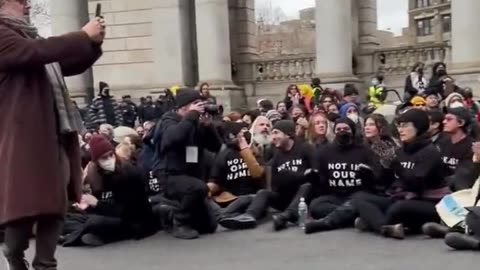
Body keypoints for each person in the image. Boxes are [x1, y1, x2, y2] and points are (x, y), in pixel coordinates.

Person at [0, 0, 105, 268]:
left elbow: (62, 63)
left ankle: (46, 263)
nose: (27, 4)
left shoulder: (29, 38)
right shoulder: (5, 35)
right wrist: (83, 35)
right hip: (23, 140)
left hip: (54, 136)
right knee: (21, 207)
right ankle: (14, 255)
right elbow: (35, 52)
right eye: (20, 0)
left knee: (55, 205)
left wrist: (92, 44)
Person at [351, 109, 449, 239]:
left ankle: (374, 223)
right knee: (359, 197)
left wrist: (395, 164)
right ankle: (386, 227)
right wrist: (373, 172)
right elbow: (388, 183)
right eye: (399, 126)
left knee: (397, 208)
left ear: (418, 127)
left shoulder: (430, 152)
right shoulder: (401, 151)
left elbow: (415, 184)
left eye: (405, 126)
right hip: (400, 197)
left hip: (428, 202)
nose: (400, 130)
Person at [152, 88, 223, 239]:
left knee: (209, 226)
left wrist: (208, 126)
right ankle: (179, 221)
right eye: (196, 104)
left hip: (191, 176)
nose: (200, 107)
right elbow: (173, 138)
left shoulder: (196, 123)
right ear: (183, 106)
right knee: (198, 188)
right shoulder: (168, 120)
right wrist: (191, 116)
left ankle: (169, 210)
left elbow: (215, 147)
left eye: (201, 103)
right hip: (170, 174)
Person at [61, 135, 157, 247]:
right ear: (96, 161)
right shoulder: (101, 175)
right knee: (74, 218)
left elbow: (122, 210)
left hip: (135, 221)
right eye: (103, 158)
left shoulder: (128, 173)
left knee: (94, 222)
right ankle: (91, 235)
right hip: (113, 214)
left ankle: (71, 237)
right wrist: (88, 206)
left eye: (110, 155)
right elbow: (106, 205)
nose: (109, 160)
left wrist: (96, 204)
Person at [304, 118, 380, 234]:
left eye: (346, 129)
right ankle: (353, 218)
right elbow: (322, 184)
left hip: (357, 195)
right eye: (338, 129)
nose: (342, 132)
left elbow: (377, 177)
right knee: (315, 205)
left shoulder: (365, 151)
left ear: (353, 131)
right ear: (334, 132)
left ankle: (331, 221)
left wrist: (368, 175)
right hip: (335, 196)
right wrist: (314, 178)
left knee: (360, 202)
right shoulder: (324, 152)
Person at [241, 120, 315, 231]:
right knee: (263, 193)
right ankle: (249, 216)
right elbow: (275, 184)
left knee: (307, 186)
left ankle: (286, 216)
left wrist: (288, 176)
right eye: (272, 133)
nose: (273, 137)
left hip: (304, 199)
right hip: (285, 196)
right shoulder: (277, 155)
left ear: (288, 134)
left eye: (276, 133)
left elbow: (314, 174)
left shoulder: (305, 148)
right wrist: (298, 176)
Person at [207, 122, 266, 230]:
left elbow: (257, 174)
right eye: (236, 135)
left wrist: (245, 150)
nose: (239, 137)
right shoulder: (225, 154)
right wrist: (206, 190)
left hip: (252, 196)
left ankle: (223, 215)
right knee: (203, 196)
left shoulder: (253, 151)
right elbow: (216, 180)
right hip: (230, 197)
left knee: (245, 199)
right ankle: (225, 216)